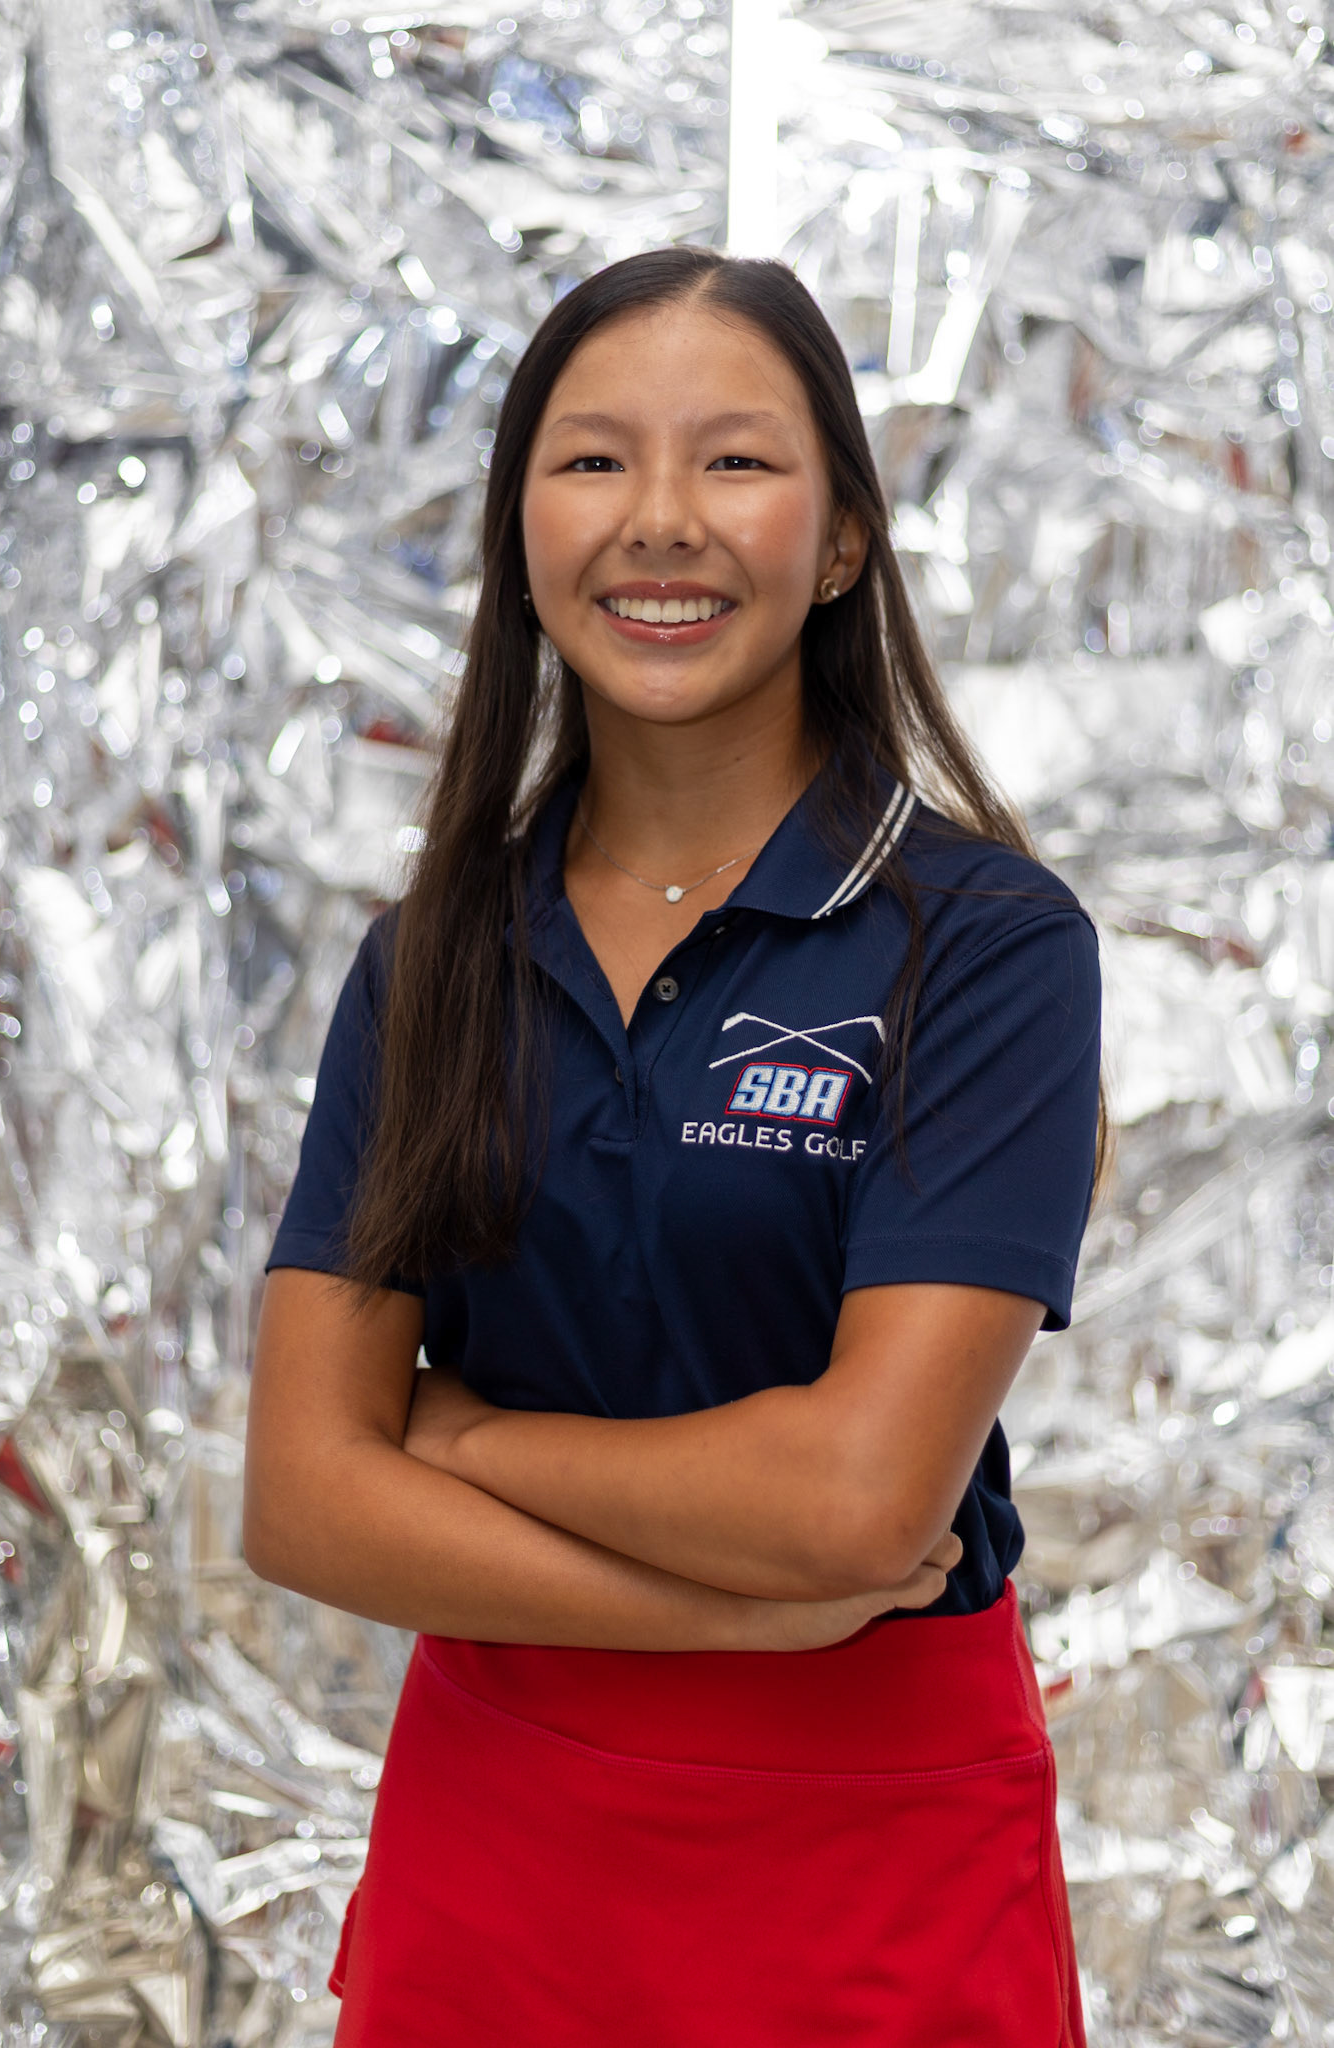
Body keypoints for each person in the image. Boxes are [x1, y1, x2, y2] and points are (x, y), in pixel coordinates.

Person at [244, 246, 1104, 2046]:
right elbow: (307, 1498)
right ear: (518, 528)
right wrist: (733, 1618)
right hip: (500, 1847)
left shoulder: (988, 943)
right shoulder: (433, 959)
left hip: (868, 1848)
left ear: (844, 538)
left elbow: (857, 1502)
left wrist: (462, 1435)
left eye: (732, 460)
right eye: (590, 460)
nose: (659, 522)